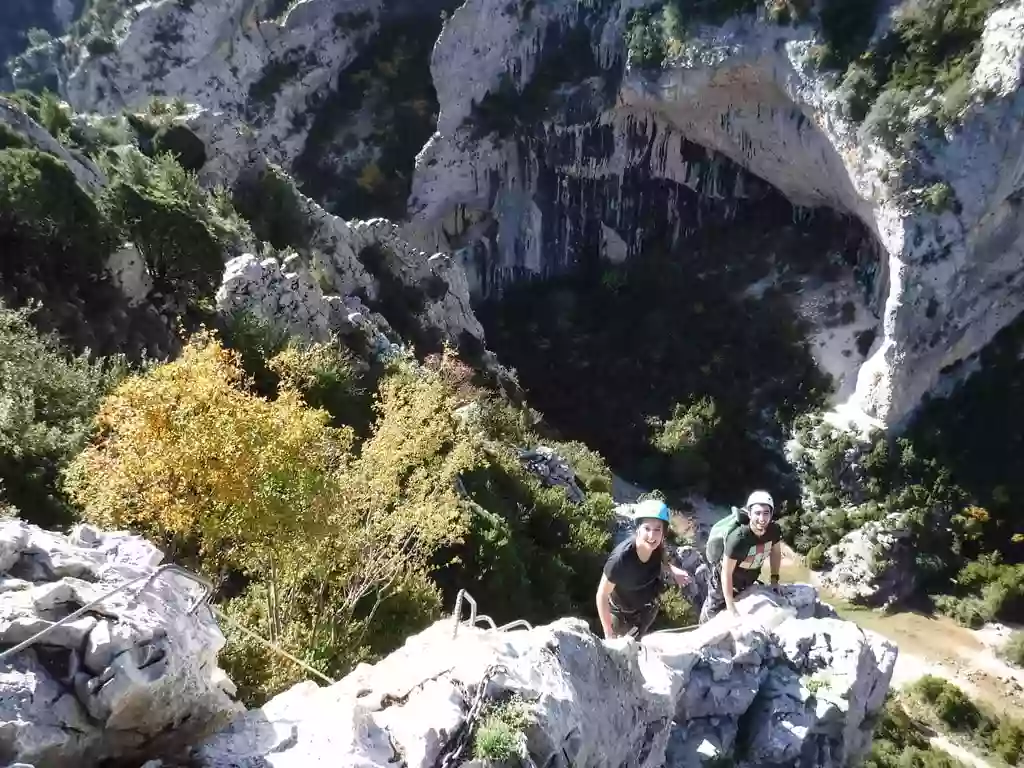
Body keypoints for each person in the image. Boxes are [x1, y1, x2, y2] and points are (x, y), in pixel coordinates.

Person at [596, 498, 693, 640]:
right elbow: (602, 595)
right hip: (621, 615)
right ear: (638, 529)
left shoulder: (657, 547)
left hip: (646, 608)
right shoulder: (621, 559)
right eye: (647, 528)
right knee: (623, 652)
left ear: (663, 532)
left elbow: (661, 561)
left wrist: (673, 571)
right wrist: (608, 632)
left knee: (638, 640)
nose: (652, 536)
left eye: (657, 529)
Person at [699, 490, 783, 624]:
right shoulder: (738, 539)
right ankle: (702, 628)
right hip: (723, 581)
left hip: (748, 578)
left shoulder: (774, 531)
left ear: (771, 514)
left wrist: (774, 580)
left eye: (766, 513)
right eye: (757, 513)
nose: (762, 518)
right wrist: (731, 608)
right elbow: (726, 573)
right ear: (749, 514)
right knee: (713, 610)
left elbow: (776, 553)